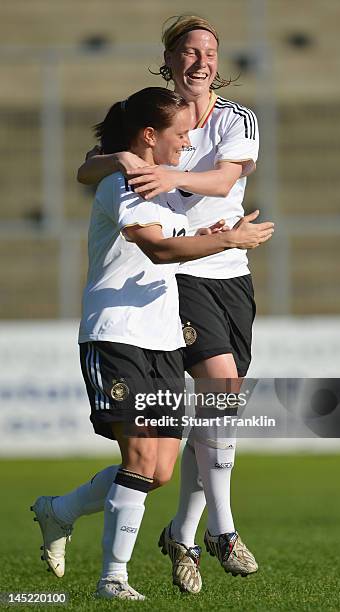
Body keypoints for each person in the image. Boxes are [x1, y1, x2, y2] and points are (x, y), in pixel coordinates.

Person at [31, 86, 274, 601]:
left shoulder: (161, 191)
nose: (188, 145)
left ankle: (60, 511)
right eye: (181, 135)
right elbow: (161, 251)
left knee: (159, 469)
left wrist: (211, 229)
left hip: (161, 337)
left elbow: (176, 237)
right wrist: (227, 240)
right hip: (117, 333)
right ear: (149, 136)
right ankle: (112, 579)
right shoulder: (122, 183)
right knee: (142, 458)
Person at [77, 15, 265, 594]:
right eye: (187, 50)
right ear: (169, 59)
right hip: (182, 274)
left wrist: (161, 168)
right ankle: (221, 530)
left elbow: (223, 180)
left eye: (208, 51)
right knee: (220, 388)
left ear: (218, 63)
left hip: (229, 272)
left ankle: (183, 531)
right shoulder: (148, 115)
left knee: (205, 420)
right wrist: (127, 160)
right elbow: (89, 168)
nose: (199, 60)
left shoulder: (235, 120)